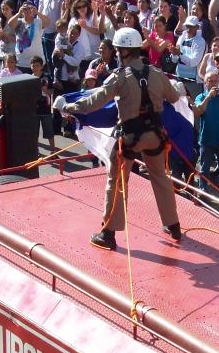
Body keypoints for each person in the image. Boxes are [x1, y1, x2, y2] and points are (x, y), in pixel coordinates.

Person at [64, 27, 182, 250]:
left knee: (116, 181)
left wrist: (69, 106)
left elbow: (95, 101)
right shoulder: (156, 73)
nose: (117, 54)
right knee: (160, 177)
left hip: (129, 138)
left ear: (124, 51)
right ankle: (173, 225)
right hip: (155, 136)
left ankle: (108, 233)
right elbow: (174, 97)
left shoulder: (119, 78)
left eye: (118, 50)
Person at [192, 71, 219, 197]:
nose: (214, 84)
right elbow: (197, 112)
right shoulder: (200, 97)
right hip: (207, 139)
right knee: (204, 168)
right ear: (205, 83)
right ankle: (203, 191)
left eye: (216, 81)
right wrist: (208, 98)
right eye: (211, 81)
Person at [8, 1, 49, 74]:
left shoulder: (38, 21)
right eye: (25, 8)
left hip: (37, 63)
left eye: (29, 8)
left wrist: (37, 12)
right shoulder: (18, 21)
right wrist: (18, 13)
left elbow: (48, 22)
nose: (27, 10)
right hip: (21, 62)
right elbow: (10, 24)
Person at [171, 16, 206, 97]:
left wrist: (179, 54)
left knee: (194, 104)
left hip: (193, 82)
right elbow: (174, 60)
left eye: (191, 26)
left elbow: (193, 62)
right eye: (187, 26)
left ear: (197, 27)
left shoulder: (200, 41)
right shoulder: (182, 37)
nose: (189, 29)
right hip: (179, 79)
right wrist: (174, 53)